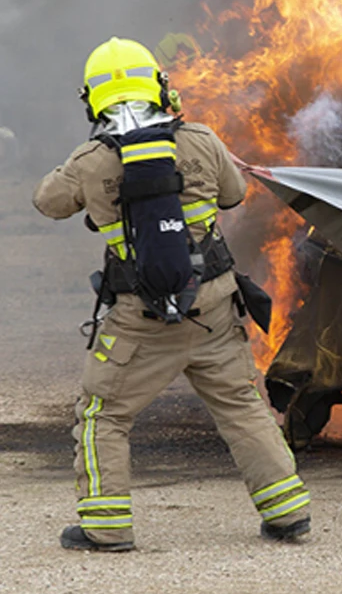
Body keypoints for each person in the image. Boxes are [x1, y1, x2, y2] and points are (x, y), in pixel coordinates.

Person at [33, 37, 310, 552]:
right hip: (212, 308)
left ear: (93, 100)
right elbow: (234, 194)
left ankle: (107, 526)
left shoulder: (92, 160)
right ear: (160, 87)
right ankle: (288, 513)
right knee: (241, 406)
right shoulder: (200, 139)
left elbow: (47, 202)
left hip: (139, 322)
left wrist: (85, 163)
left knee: (103, 415)